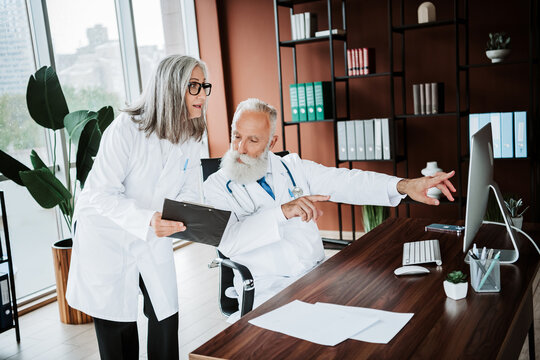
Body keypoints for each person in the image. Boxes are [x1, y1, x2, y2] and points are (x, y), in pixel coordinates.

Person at [203, 98, 456, 320]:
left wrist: (404, 185)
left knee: (390, 305)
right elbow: (228, 243)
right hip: (270, 291)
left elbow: (347, 181)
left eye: (253, 140)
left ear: (271, 143)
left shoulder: (292, 167)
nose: (240, 148)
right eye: (236, 135)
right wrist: (282, 211)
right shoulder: (216, 186)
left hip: (318, 278)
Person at [66, 55, 211, 360]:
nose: (202, 95)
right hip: (107, 235)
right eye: (193, 86)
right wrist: (147, 219)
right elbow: (101, 195)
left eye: (204, 86)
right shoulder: (126, 130)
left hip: (150, 234)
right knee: (118, 330)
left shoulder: (191, 133)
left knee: (165, 316)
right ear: (171, 88)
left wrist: (198, 218)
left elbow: (188, 188)